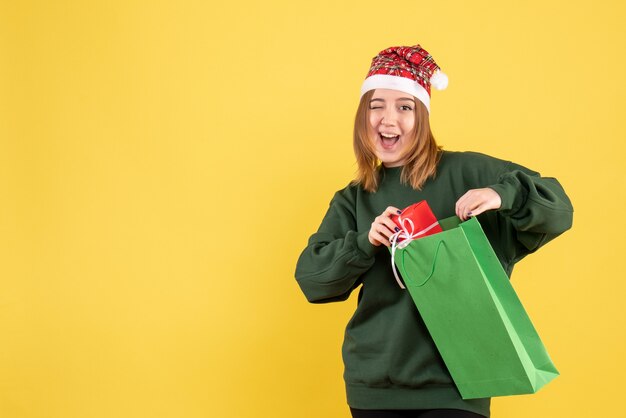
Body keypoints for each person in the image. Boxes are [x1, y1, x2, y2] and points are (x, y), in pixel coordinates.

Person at [294, 45, 573, 418]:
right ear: (363, 117)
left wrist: (501, 194)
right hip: (375, 389)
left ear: (422, 117)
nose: (387, 119)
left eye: (404, 107)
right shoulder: (354, 198)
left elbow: (558, 209)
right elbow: (312, 280)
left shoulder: (466, 173)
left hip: (460, 386)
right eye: (376, 106)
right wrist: (366, 242)